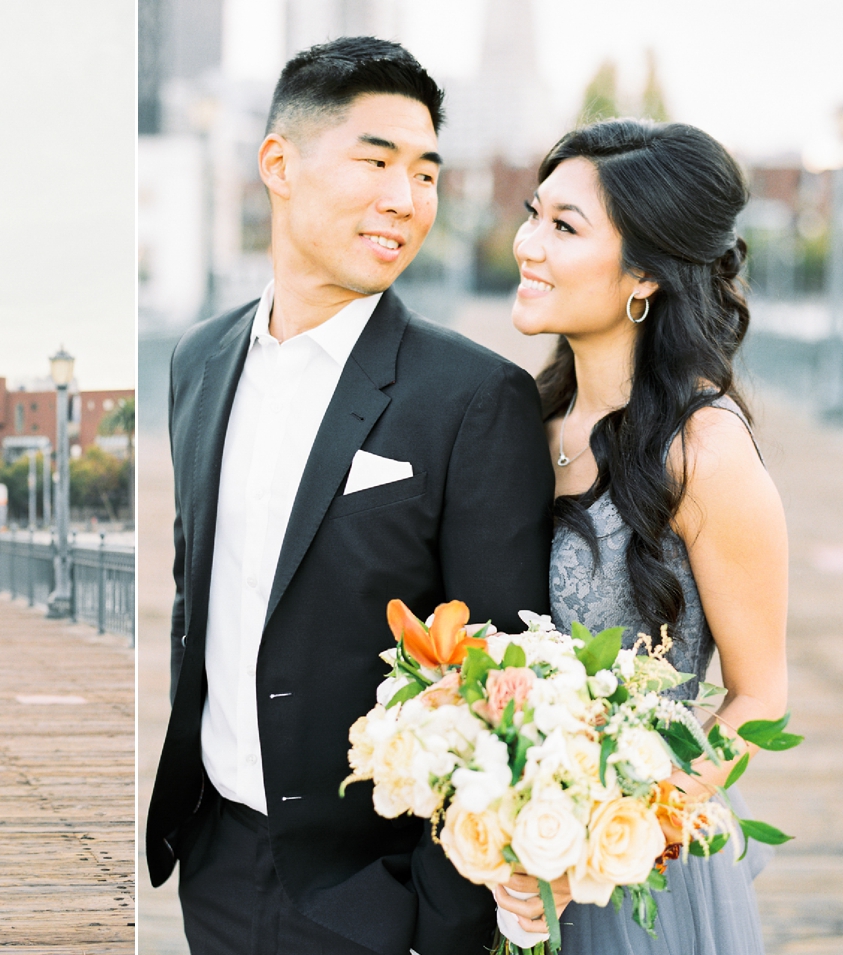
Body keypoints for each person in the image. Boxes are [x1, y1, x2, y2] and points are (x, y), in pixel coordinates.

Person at [146, 37, 554, 955]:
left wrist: (436, 920)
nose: (405, 201)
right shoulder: (197, 362)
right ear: (279, 165)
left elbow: (501, 682)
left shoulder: (474, 397)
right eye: (375, 162)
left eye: (425, 173)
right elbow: (199, 591)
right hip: (214, 859)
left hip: (371, 894)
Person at [493, 119, 787, 953]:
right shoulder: (522, 420)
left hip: (641, 871)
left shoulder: (704, 451)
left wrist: (606, 837)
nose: (526, 245)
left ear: (645, 275)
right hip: (512, 860)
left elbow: (760, 695)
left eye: (564, 227)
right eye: (533, 214)